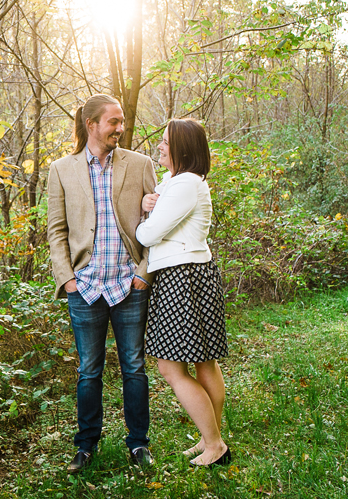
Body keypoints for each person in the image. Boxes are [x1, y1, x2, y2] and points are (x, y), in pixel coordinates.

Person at [47, 94, 157, 474]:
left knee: (134, 367)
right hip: (86, 289)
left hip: (129, 286)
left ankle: (139, 444)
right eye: (113, 122)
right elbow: (56, 232)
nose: (120, 128)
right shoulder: (61, 170)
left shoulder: (141, 165)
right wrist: (68, 279)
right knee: (89, 371)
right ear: (91, 124)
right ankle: (85, 445)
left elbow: (157, 228)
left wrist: (144, 271)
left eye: (122, 121)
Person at [135, 118, 231, 467]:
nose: (160, 146)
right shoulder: (180, 182)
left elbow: (147, 236)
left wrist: (145, 220)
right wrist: (151, 204)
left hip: (181, 277)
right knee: (204, 361)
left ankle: (214, 443)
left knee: (171, 367)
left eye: (165, 142)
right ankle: (212, 438)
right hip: (192, 274)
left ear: (181, 148)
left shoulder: (185, 184)